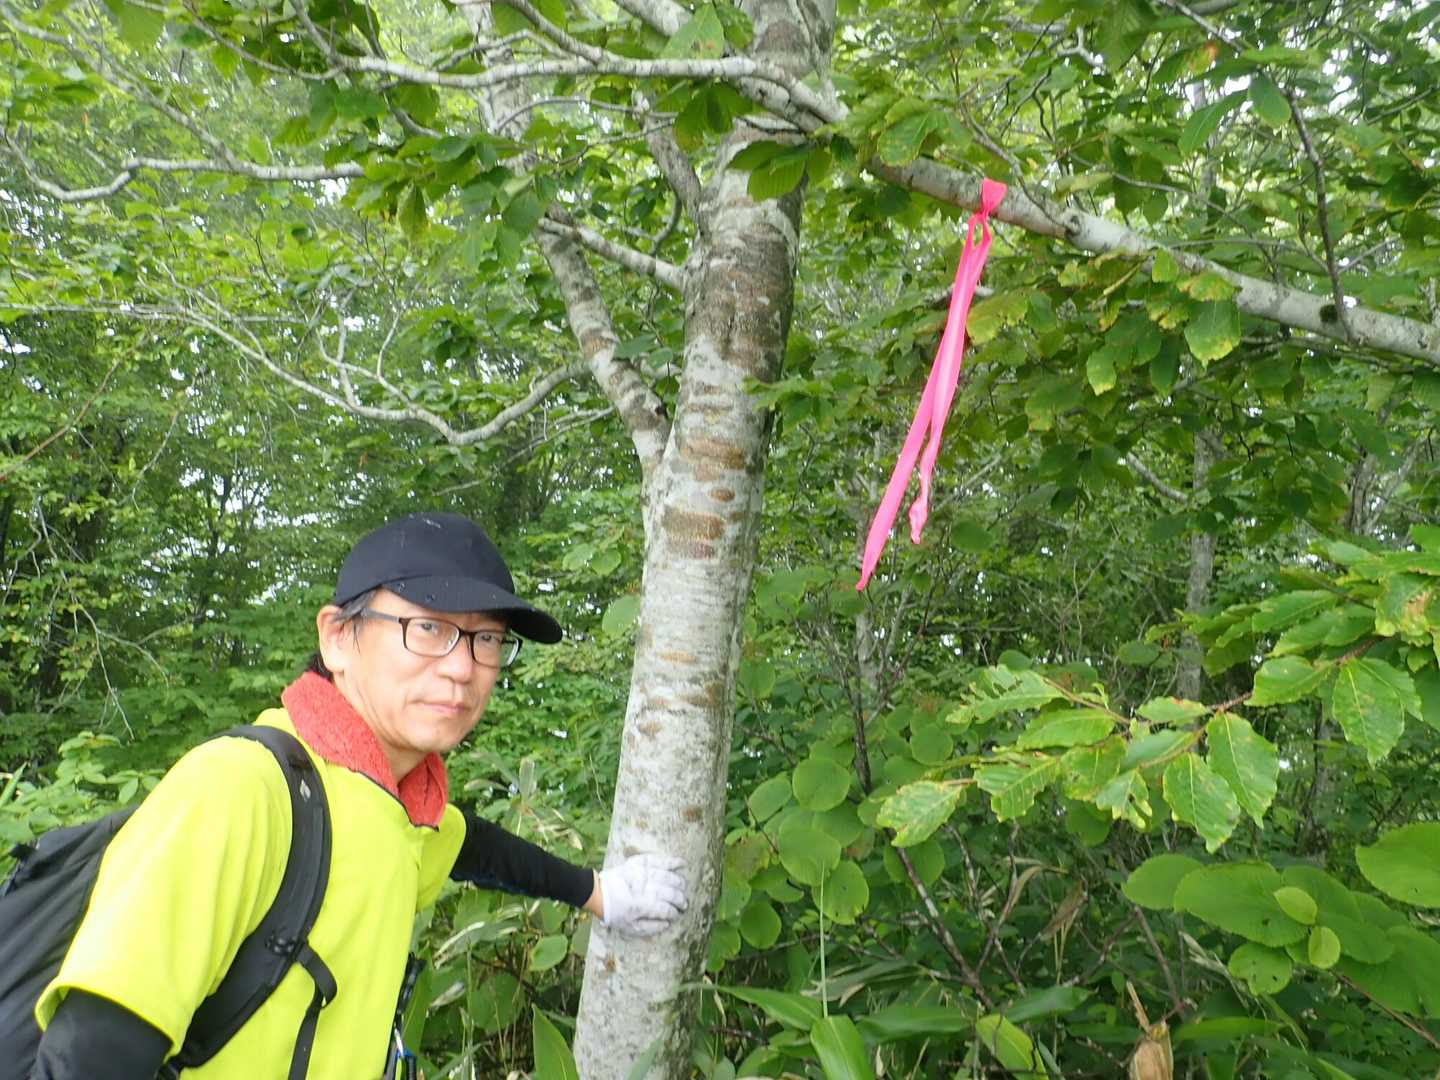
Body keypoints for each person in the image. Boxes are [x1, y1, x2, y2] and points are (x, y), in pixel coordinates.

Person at [29, 511, 686, 1078]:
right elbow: (89, 1054)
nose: (462, 667)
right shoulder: (240, 790)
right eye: (427, 627)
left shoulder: (398, 803)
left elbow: (471, 847)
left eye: (486, 639)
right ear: (337, 638)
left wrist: (600, 892)